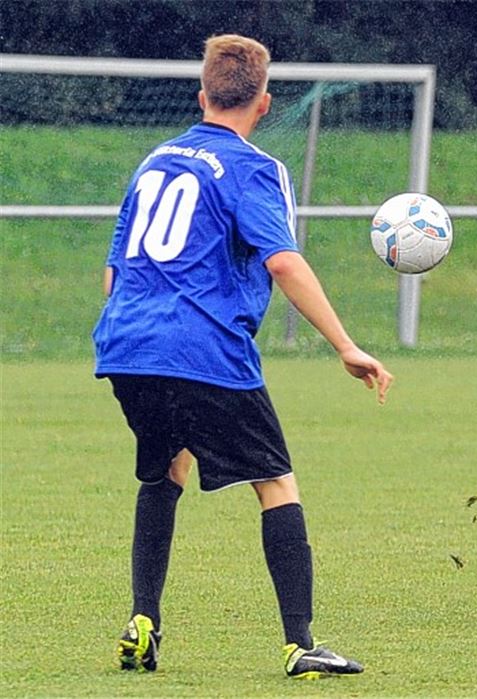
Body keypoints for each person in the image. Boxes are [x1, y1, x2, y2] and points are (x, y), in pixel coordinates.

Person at [93, 34, 393, 679]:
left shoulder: (155, 161)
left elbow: (113, 272)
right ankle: (300, 642)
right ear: (264, 103)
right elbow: (282, 259)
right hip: (201, 347)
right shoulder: (257, 168)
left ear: (202, 96)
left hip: (124, 343)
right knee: (275, 482)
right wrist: (346, 345)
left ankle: (143, 620)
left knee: (164, 469)